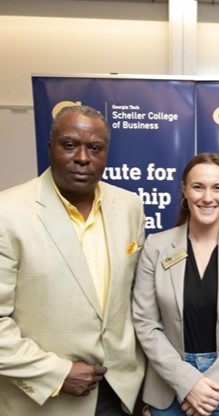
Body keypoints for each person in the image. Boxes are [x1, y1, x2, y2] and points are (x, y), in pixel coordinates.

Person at [0, 105, 146, 415]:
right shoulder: (7, 213)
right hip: (44, 400)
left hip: (119, 392)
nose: (83, 157)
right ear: (50, 147)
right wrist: (55, 372)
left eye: (95, 148)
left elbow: (136, 301)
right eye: (70, 145)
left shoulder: (129, 206)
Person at [132, 152, 219, 416]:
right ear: (184, 190)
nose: (208, 197)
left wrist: (206, 387)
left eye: (217, 188)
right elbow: (145, 322)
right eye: (198, 186)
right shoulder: (156, 246)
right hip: (170, 384)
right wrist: (187, 382)